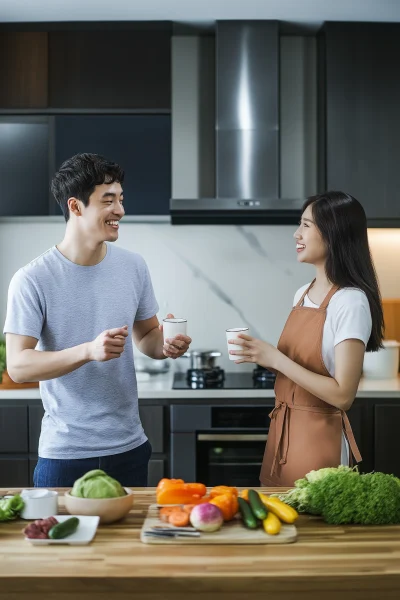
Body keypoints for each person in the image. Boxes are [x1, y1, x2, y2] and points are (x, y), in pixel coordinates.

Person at [4, 153, 191, 487]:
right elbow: (18, 367)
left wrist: (166, 344)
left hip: (130, 446)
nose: (120, 210)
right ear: (75, 207)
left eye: (120, 199)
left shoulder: (133, 266)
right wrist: (88, 351)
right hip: (65, 453)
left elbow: (147, 335)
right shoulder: (32, 278)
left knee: (127, 541)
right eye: (108, 201)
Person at [228, 191, 384, 487]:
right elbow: (299, 369)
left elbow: (342, 395)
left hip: (318, 440)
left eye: (306, 225)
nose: (297, 234)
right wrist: (262, 356)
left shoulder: (350, 302)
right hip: (281, 437)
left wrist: (277, 359)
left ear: (334, 233)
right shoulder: (302, 294)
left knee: (314, 528)